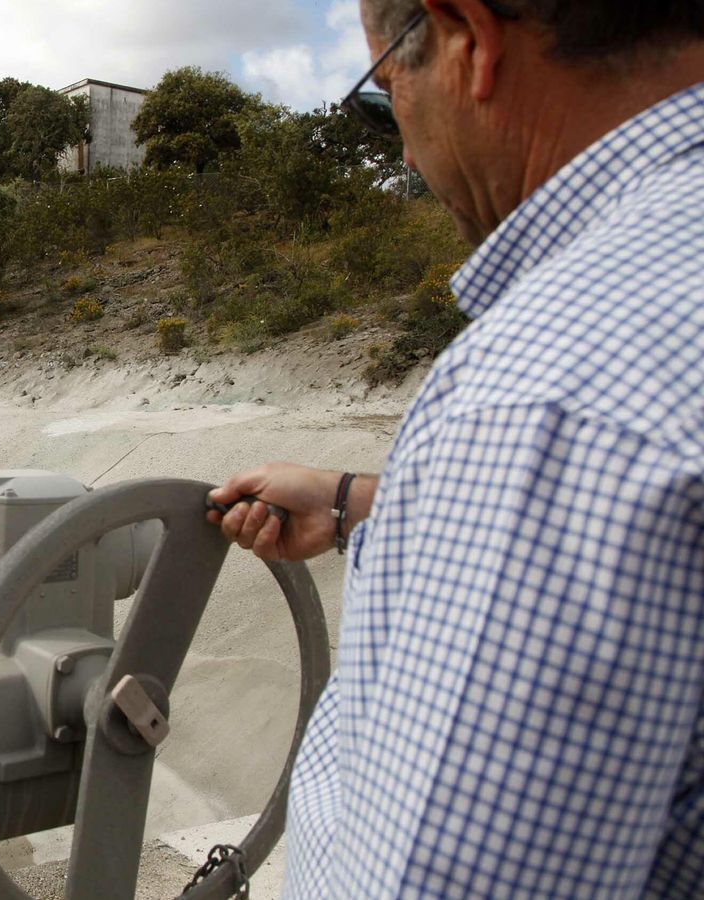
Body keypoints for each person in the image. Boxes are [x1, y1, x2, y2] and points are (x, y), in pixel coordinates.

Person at [206, 1, 704, 895]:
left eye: (383, 92)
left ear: (467, 38)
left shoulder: (544, 388)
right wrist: (364, 500)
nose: (400, 149)